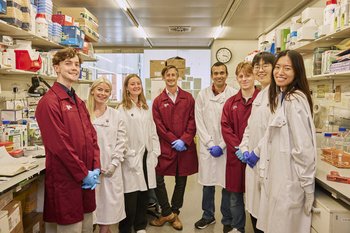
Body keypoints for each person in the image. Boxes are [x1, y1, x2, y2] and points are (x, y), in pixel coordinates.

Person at [35, 47, 101, 232]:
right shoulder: (49, 102)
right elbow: (60, 145)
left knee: (87, 226)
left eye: (77, 64)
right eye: (68, 63)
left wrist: (95, 167)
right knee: (69, 227)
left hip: (86, 178)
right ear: (56, 67)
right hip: (66, 179)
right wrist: (83, 173)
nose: (74, 68)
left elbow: (92, 137)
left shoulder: (78, 102)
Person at [256, 50, 316, 233]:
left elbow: (303, 148)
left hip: (291, 180)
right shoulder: (282, 96)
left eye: (287, 68)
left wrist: (307, 187)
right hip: (280, 177)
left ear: (297, 72)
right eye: (278, 67)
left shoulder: (294, 100)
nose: (280, 72)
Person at [151, 65, 198, 231]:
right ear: (164, 77)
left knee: (181, 179)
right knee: (157, 178)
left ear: (178, 77)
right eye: (168, 75)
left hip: (185, 147)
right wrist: (173, 140)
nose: (171, 77)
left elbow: (193, 120)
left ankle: (175, 211)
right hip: (166, 146)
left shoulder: (188, 98)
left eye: (173, 75)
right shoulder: (158, 101)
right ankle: (166, 211)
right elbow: (159, 125)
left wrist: (184, 140)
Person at [194, 62, 237, 229]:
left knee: (227, 184)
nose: (219, 76)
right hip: (208, 148)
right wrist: (211, 144)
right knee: (208, 184)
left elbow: (234, 126)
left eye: (222, 73)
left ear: (226, 74)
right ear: (211, 75)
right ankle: (208, 215)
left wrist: (223, 145)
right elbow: (199, 122)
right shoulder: (202, 95)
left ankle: (227, 219)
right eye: (215, 73)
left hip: (227, 148)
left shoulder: (234, 94)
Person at [236, 52, 275, 233]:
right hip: (253, 162)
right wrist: (244, 148)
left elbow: (272, 132)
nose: (260, 70)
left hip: (266, 161)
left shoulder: (278, 96)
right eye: (257, 66)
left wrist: (256, 152)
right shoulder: (260, 96)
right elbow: (250, 128)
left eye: (265, 65)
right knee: (253, 207)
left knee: (265, 212)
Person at [117, 74, 160, 233]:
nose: (136, 86)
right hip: (131, 158)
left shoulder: (145, 107)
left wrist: (155, 152)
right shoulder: (122, 108)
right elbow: (121, 135)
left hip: (146, 157)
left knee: (144, 193)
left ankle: (141, 225)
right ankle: (126, 227)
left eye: (138, 83)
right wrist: (129, 154)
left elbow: (153, 131)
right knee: (130, 197)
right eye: (132, 84)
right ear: (127, 88)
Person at [221, 62, 260, 233]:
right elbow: (225, 127)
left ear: (254, 77)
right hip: (236, 156)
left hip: (257, 156)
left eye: (248, 75)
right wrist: (238, 148)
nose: (244, 79)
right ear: (236, 78)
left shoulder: (263, 100)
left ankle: (260, 228)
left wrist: (253, 151)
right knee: (235, 195)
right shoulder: (230, 103)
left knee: (258, 196)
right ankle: (238, 227)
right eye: (241, 76)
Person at [87, 78, 127, 233]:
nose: (102, 94)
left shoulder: (116, 115)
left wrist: (114, 163)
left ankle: (105, 230)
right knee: (92, 205)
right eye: (99, 89)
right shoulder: (83, 113)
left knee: (109, 204)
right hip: (89, 169)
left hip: (110, 167)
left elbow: (121, 141)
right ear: (92, 90)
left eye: (106, 91)